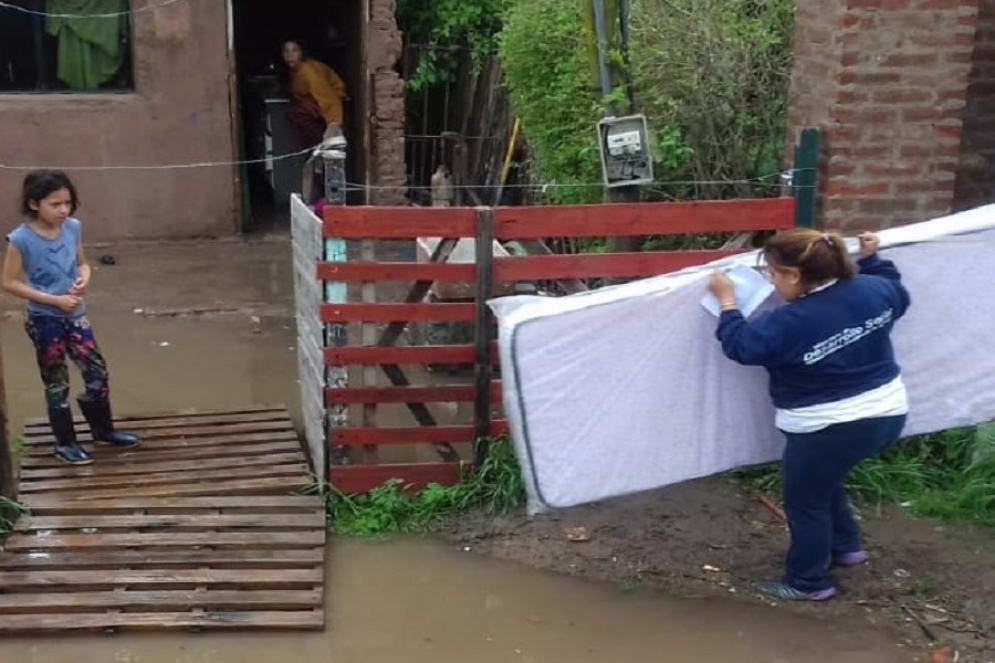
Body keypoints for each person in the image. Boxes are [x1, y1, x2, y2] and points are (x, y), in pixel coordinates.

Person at [708, 228, 910, 601]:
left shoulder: (787, 322)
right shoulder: (871, 289)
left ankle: (808, 582)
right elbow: (896, 290)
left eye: (772, 273)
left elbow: (741, 346)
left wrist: (726, 302)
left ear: (794, 277)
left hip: (827, 426)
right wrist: (872, 258)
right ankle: (847, 547)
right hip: (888, 413)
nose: (770, 280)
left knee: (805, 501)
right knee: (823, 481)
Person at [2, 170, 140, 466]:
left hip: (76, 315)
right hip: (44, 319)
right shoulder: (21, 239)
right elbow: (10, 282)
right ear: (34, 204)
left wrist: (84, 280)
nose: (64, 210)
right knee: (56, 382)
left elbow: (82, 263)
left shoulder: (73, 227)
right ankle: (65, 443)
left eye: (68, 203)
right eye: (56, 204)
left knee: (97, 373)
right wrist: (55, 300)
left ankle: (103, 430)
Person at [281, 39, 347, 148]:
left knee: (297, 113)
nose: (290, 55)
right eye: (286, 51)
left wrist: (334, 124)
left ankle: (319, 143)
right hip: (315, 100)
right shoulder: (295, 71)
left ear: (302, 53)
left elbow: (328, 98)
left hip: (333, 99)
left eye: (294, 51)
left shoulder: (309, 72)